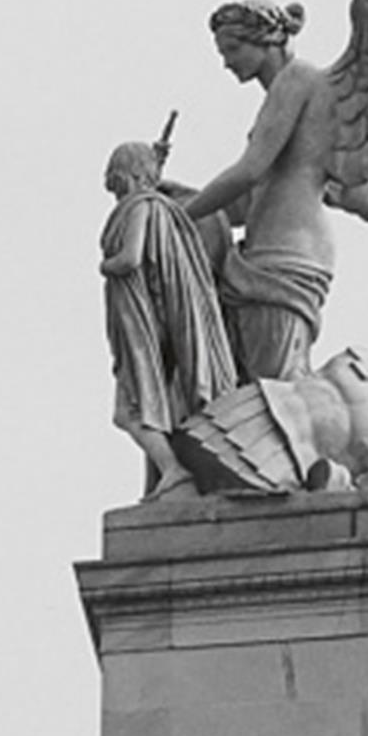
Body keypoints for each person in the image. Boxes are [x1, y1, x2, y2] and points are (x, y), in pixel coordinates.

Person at [181, 0, 338, 384]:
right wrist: (180, 197)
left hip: (286, 252)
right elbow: (244, 203)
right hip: (263, 249)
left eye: (233, 49)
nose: (226, 62)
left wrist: (180, 216)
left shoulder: (298, 80)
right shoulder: (280, 94)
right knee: (249, 383)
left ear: (266, 40)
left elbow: (250, 172)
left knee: (275, 389)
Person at [99, 132, 237, 493]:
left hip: (142, 322)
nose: (110, 182)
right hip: (147, 317)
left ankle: (173, 470)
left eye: (115, 173)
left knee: (128, 411)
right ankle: (172, 468)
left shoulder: (141, 207)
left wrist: (107, 266)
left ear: (124, 174)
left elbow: (131, 257)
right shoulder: (154, 206)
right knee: (142, 404)